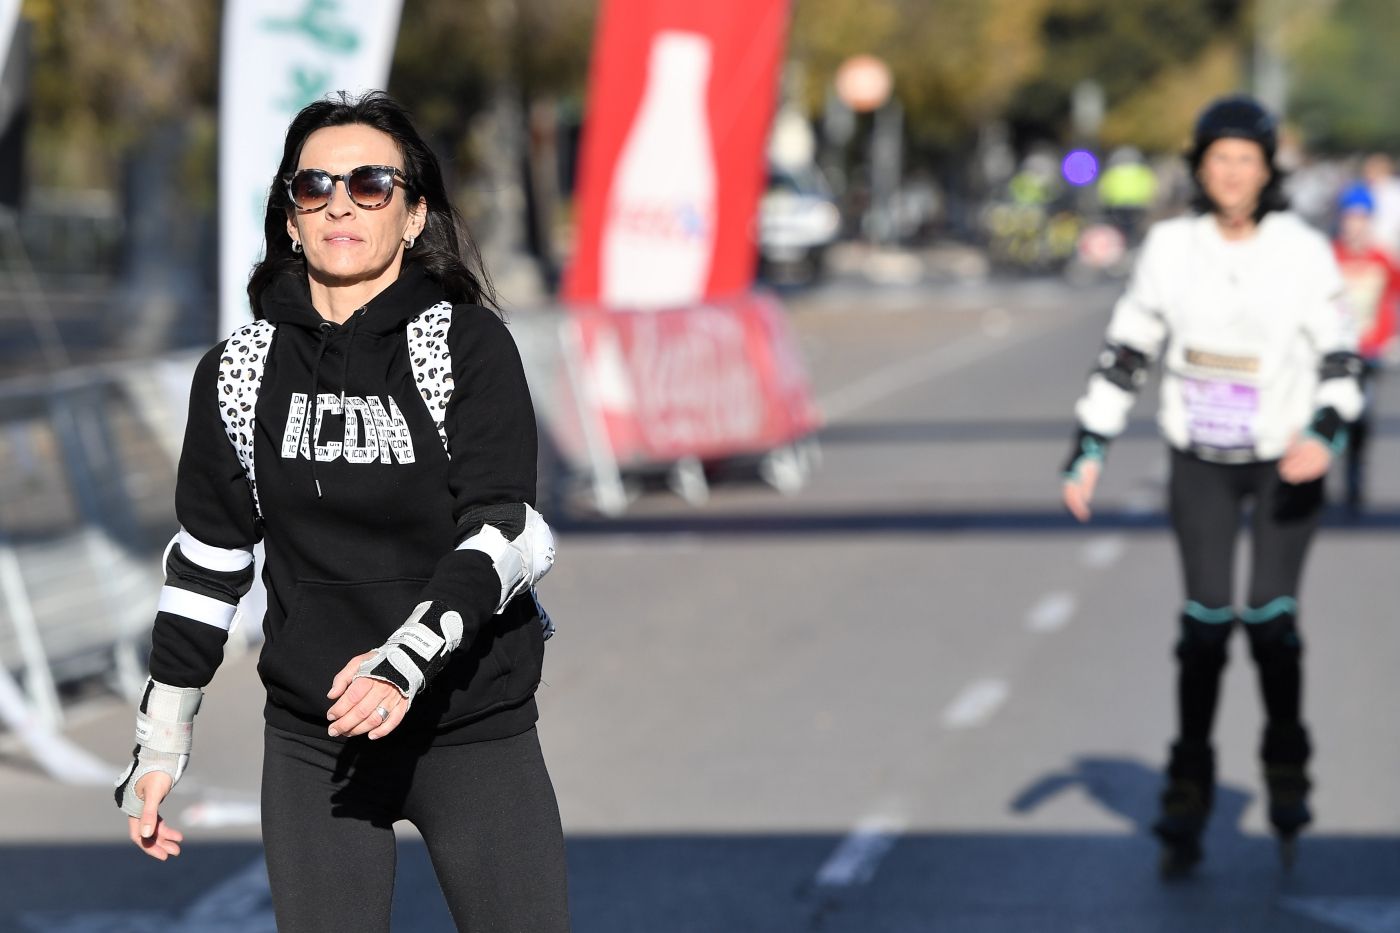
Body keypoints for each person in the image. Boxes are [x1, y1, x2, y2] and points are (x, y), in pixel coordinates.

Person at [112, 91, 571, 931]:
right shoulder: (241, 371)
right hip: (314, 735)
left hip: (466, 723)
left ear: (413, 213)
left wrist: (402, 660)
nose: (341, 204)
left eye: (370, 184)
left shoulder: (463, 345)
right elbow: (208, 563)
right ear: (290, 217)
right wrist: (161, 740)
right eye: (314, 185)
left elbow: (504, 535)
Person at [1060, 95, 1363, 876]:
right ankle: (1188, 780)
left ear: (1269, 172)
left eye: (1247, 161)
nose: (1232, 174)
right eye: (1218, 159)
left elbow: (1340, 356)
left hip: (1282, 454)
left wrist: (1325, 432)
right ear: (1199, 166)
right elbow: (1129, 346)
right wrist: (1090, 441)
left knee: (1267, 617)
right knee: (1203, 625)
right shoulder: (1169, 246)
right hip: (1199, 455)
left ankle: (1286, 754)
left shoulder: (1300, 249)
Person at [1331, 182, 1399, 512]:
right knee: (1330, 414)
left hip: (1369, 352)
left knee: (1361, 418)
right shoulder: (1329, 256)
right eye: (1349, 216)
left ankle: (1354, 483)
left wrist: (1391, 335)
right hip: (1333, 352)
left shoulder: (1382, 258)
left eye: (1361, 217)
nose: (1354, 223)